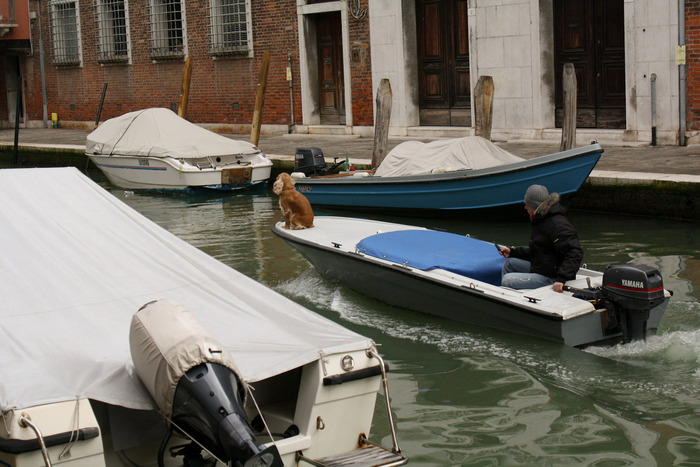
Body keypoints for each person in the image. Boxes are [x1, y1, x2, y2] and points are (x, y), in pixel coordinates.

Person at [497, 184, 583, 293]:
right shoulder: (541, 219)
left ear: (534, 205)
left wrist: (561, 278)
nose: (525, 207)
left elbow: (575, 252)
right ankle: (508, 296)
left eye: (527, 204)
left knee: (507, 280)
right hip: (543, 268)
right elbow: (538, 251)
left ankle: (514, 300)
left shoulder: (557, 225)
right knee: (509, 263)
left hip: (552, 277)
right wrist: (513, 252)